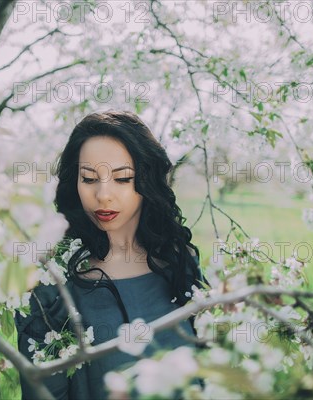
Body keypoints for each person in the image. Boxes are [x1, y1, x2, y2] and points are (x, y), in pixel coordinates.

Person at [14, 110, 207, 400]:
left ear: (146, 181)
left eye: (122, 178)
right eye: (89, 179)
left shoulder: (180, 261)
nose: (103, 194)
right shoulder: (50, 281)